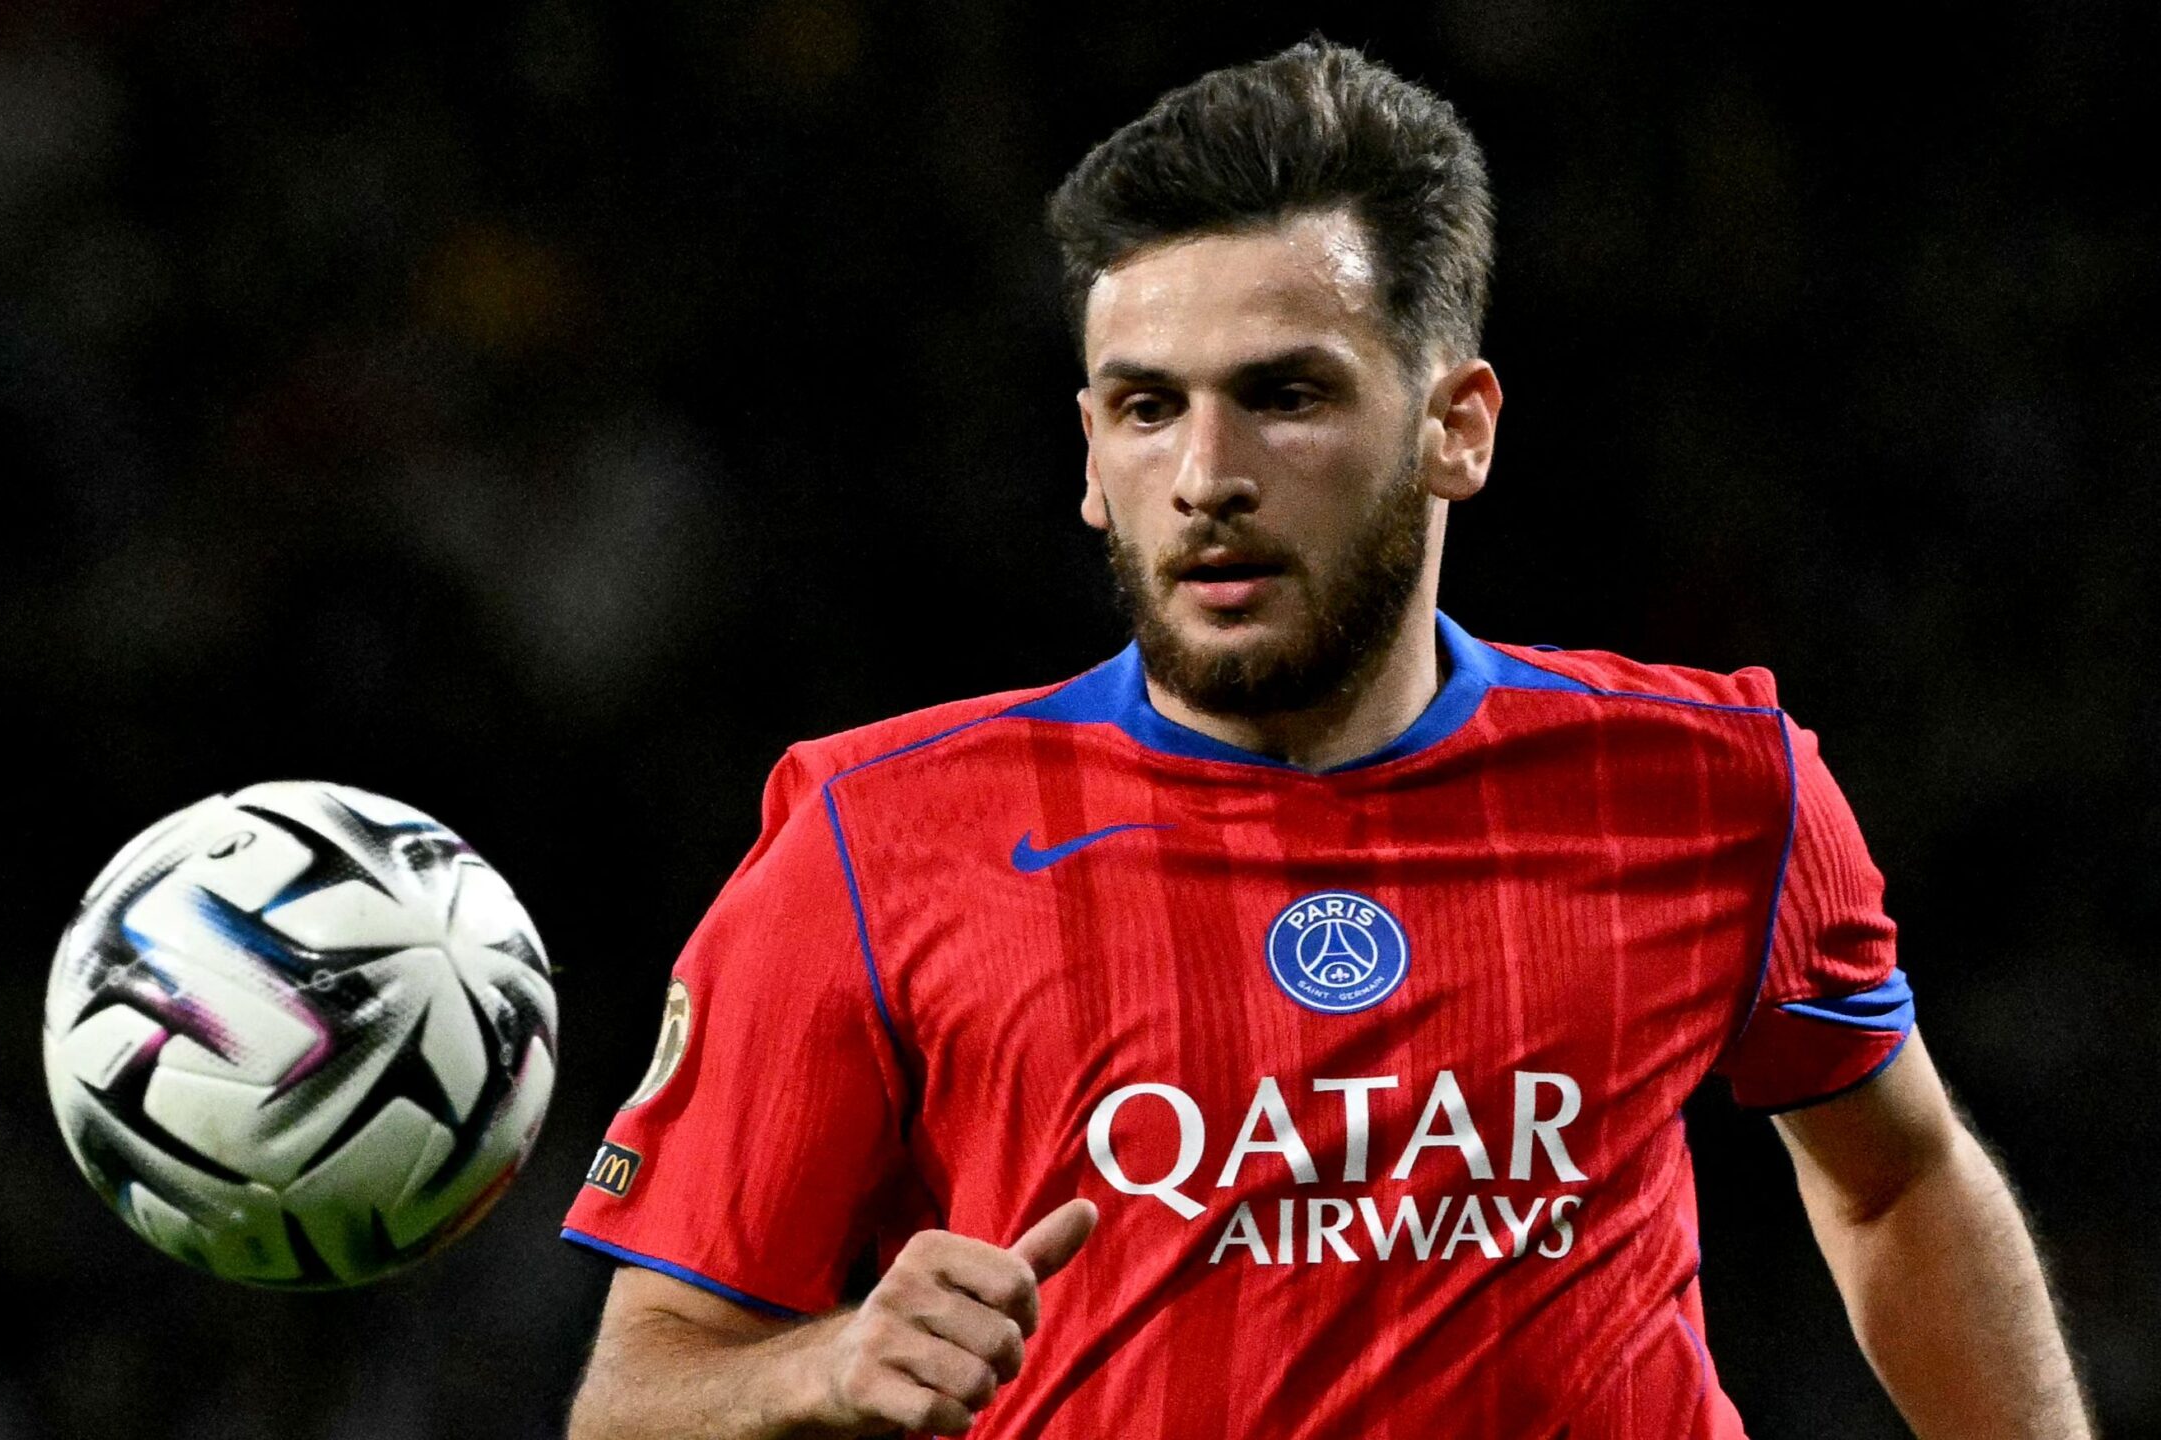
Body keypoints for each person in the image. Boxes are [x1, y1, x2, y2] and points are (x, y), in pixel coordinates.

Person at [557, 37, 2092, 1439]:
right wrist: (824, 1366)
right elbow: (636, 1397)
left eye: (1284, 395)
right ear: (1088, 456)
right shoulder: (870, 840)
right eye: (1146, 409)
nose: (1206, 473)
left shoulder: (1715, 785)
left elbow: (1897, 1184)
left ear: (1457, 426)